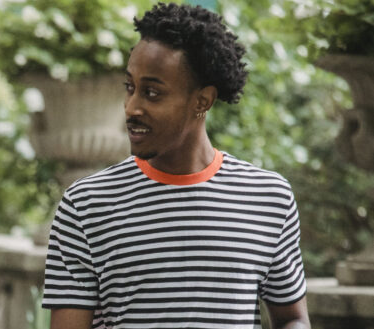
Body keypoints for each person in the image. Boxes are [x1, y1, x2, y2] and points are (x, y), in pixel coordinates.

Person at [42, 3, 310, 329]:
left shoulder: (269, 198)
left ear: (202, 101)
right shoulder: (85, 205)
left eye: (152, 93)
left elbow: (292, 319)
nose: (132, 107)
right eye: (130, 88)